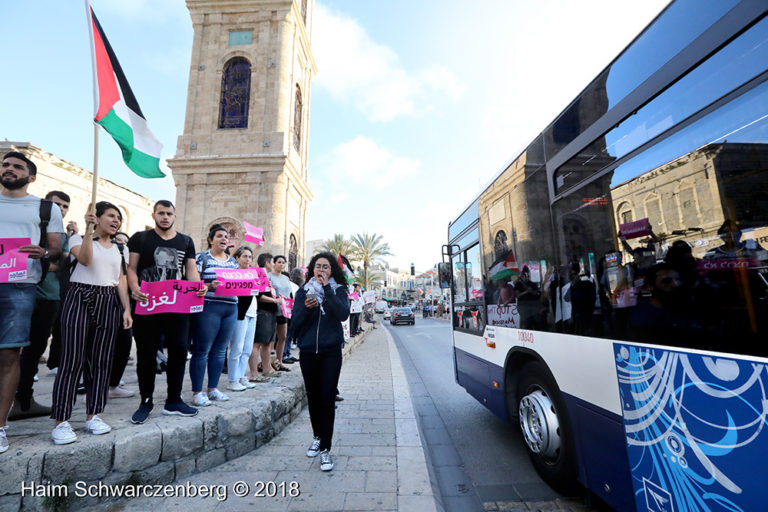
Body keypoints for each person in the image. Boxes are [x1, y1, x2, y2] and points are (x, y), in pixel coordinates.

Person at [49, 202, 132, 444]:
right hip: (79, 295)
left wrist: (126, 309)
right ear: (98, 217)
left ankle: (93, 414)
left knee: (101, 360)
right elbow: (85, 260)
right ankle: (61, 420)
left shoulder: (121, 249)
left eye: (119, 218)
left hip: (109, 300)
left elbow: (120, 280)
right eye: (111, 216)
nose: (116, 221)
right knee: (72, 359)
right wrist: (87, 229)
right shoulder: (77, 239)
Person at [0, 152, 64, 454]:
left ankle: (0, 427)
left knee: (10, 355)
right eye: (6, 165)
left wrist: (44, 254)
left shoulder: (46, 208)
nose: (9, 169)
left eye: (17, 166)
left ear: (32, 176)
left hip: (20, 286)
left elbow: (57, 253)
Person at [127, 200, 205, 424]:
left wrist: (198, 288)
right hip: (147, 304)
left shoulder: (186, 241)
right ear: (154, 215)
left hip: (176, 306)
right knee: (146, 354)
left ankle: (174, 400)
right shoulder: (140, 238)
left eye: (169, 213)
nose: (165, 217)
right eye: (161, 213)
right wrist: (134, 288)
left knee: (179, 351)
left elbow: (190, 270)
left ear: (174, 216)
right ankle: (146, 401)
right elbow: (131, 269)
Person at [9, 190, 75, 420]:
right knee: (10, 350)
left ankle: (24, 400)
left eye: (65, 206)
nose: (62, 209)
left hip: (49, 297)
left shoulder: (63, 236)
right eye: (57, 204)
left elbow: (64, 262)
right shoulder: (31, 225)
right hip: (20, 291)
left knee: (34, 350)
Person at [290, 252, 350, 471]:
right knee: (313, 398)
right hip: (308, 352)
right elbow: (295, 322)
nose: (321, 270)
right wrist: (307, 307)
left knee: (326, 398)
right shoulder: (303, 292)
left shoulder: (338, 290)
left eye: (325, 267)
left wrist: (326, 291)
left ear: (331, 270)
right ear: (311, 270)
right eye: (318, 267)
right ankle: (317, 436)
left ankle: (326, 449)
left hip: (330, 351)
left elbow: (343, 314)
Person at [190, 225, 239, 406]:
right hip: (209, 307)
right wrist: (209, 286)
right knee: (202, 350)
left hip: (231, 308)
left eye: (226, 236)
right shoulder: (201, 258)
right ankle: (197, 392)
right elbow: (193, 282)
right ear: (211, 239)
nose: (224, 239)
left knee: (220, 350)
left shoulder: (233, 262)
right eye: (219, 236)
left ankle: (213, 389)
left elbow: (239, 283)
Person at [226, 246, 260, 390]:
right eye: (244, 256)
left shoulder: (253, 274)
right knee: (237, 347)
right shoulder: (234, 274)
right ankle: (233, 379)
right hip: (240, 312)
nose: (247, 259)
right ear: (237, 258)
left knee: (247, 348)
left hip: (253, 312)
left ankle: (241, 376)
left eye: (250, 257)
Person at [108, 231, 135, 399]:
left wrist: (127, 309)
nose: (122, 244)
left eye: (126, 242)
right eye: (119, 240)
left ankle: (113, 385)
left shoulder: (123, 254)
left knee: (124, 344)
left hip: (121, 302)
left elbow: (123, 280)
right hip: (101, 299)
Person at [249, 253, 281, 379]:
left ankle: (267, 368)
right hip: (263, 313)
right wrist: (275, 301)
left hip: (271, 314)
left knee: (267, 343)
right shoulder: (259, 275)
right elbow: (259, 296)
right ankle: (254, 373)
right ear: (267, 263)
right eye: (273, 262)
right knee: (257, 343)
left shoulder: (267, 277)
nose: (274, 265)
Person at [268, 255, 293, 371]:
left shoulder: (286, 278)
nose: (281, 264)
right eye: (279, 262)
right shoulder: (269, 277)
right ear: (274, 263)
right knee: (271, 338)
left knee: (282, 336)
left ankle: (280, 361)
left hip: (285, 311)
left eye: (283, 262)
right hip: (273, 309)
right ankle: (267, 363)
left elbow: (289, 294)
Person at [283, 267, 305, 364]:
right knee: (287, 335)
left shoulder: (295, 285)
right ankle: (285, 354)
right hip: (289, 313)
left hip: (292, 313)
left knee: (289, 335)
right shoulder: (294, 286)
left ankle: (287, 353)